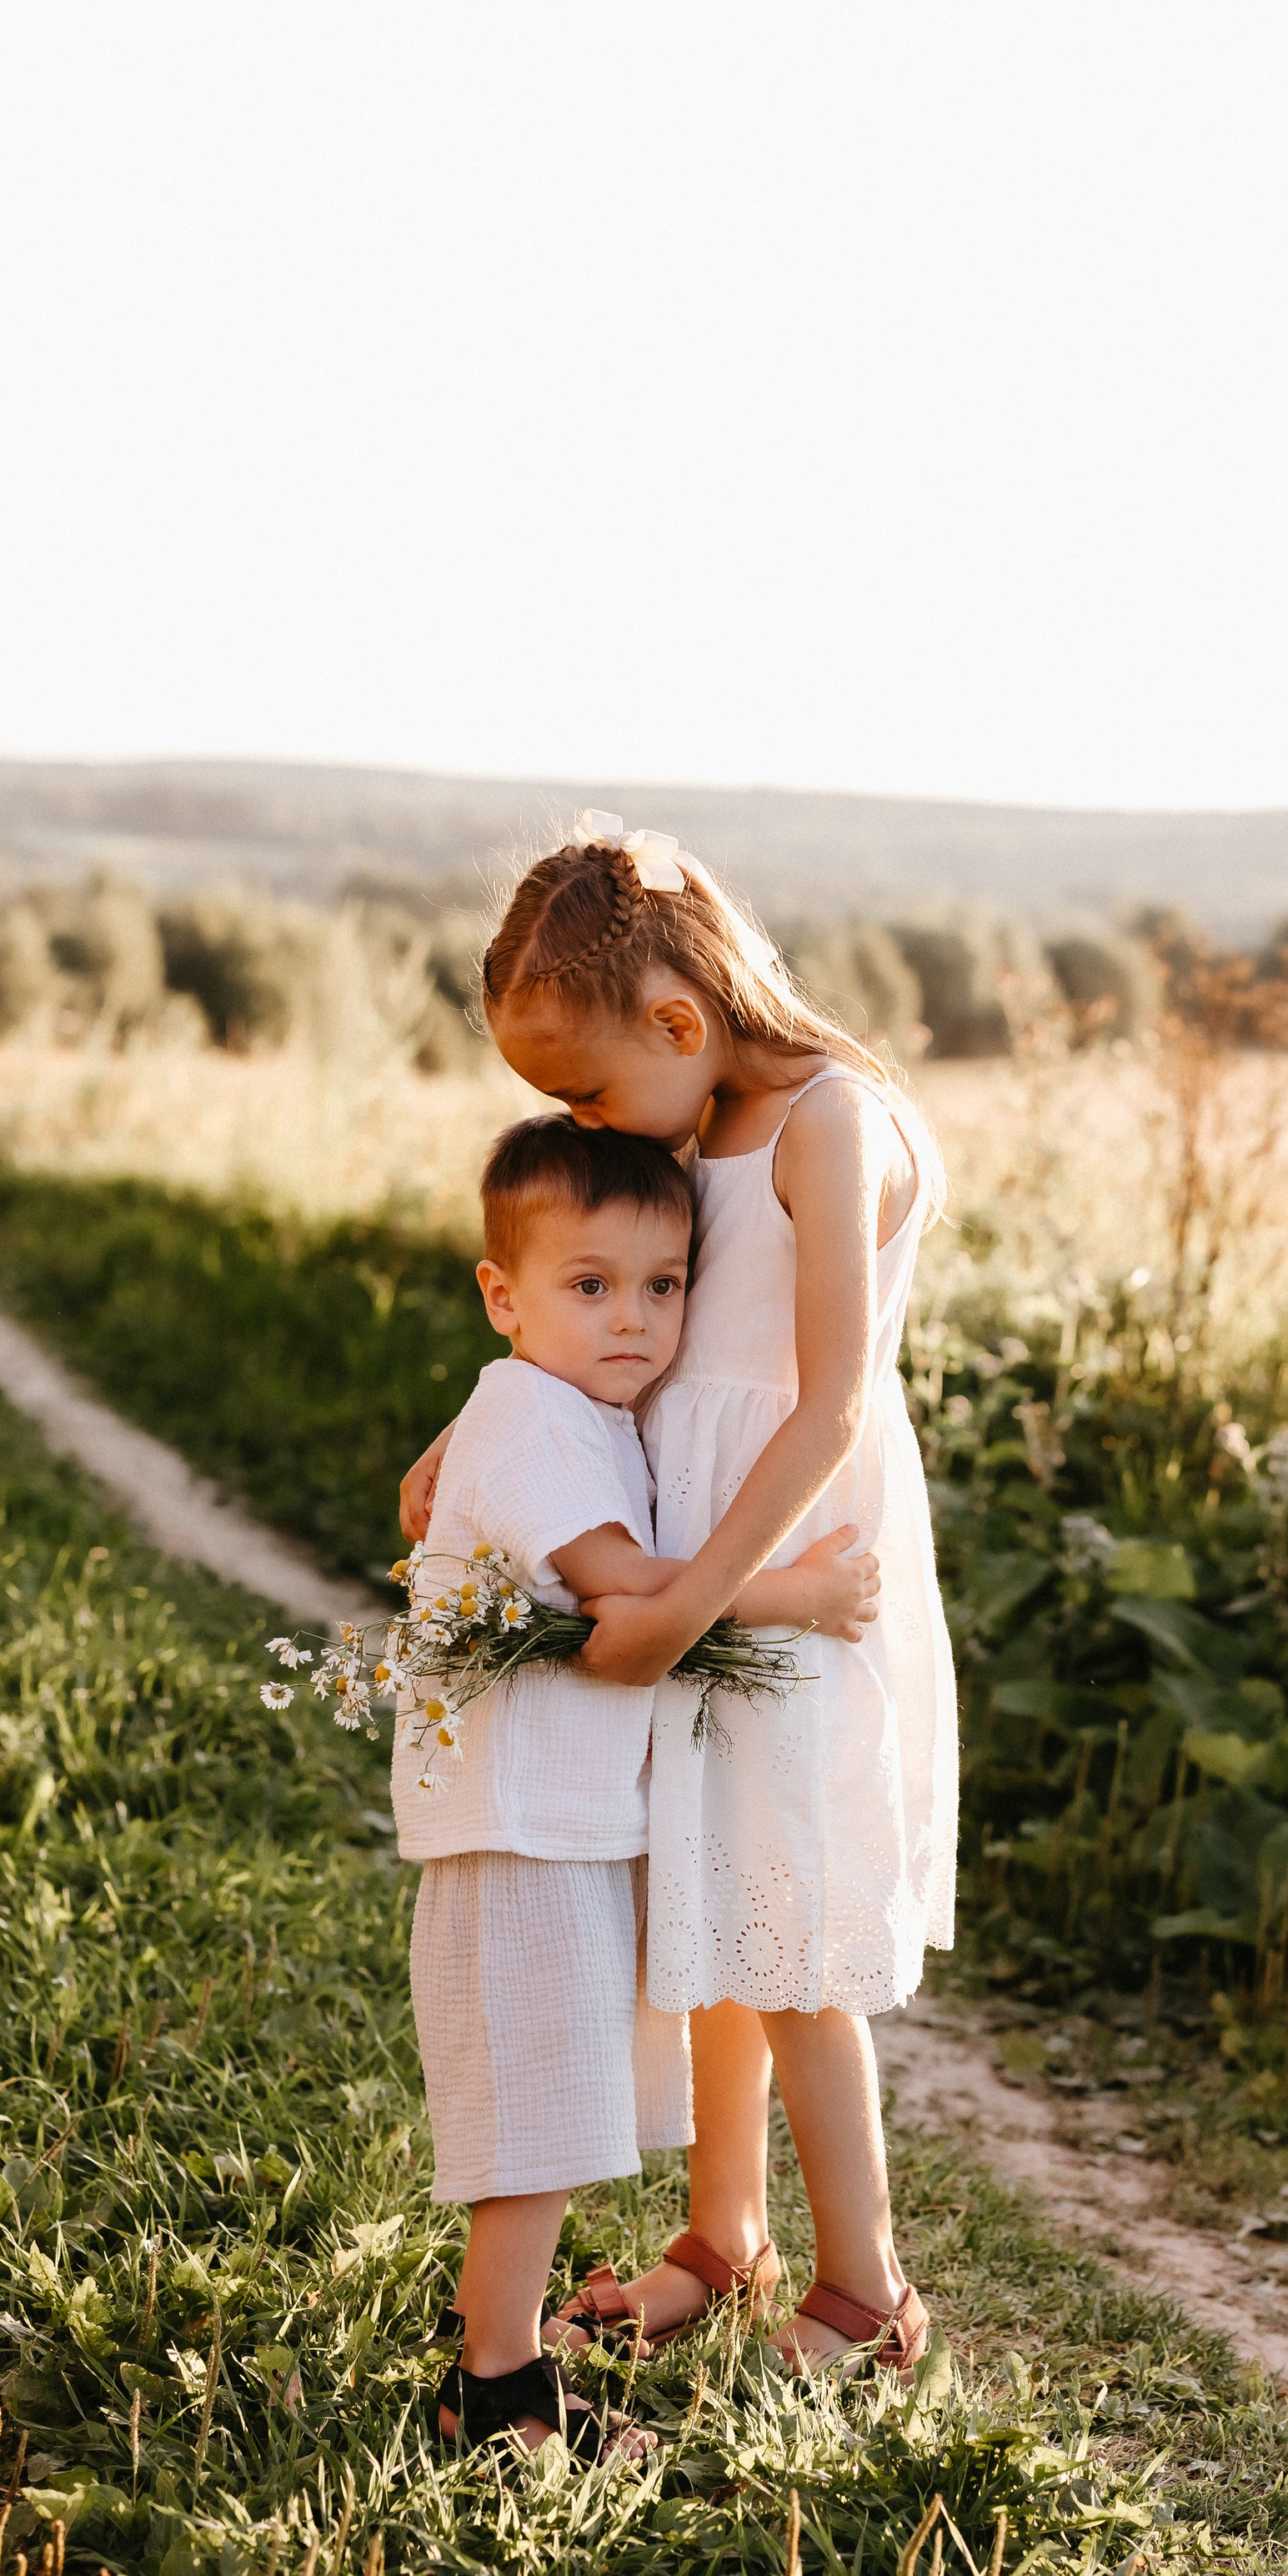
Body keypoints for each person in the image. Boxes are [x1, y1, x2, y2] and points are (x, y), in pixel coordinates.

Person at [401, 815, 958, 2377]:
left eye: (582, 1091)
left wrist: (699, 1599)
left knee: (788, 1930)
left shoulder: (827, 1123)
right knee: (700, 1910)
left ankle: (867, 2291)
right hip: (681, 1539)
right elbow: (623, 1295)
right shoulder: (684, 1117)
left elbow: (831, 1397)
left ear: (674, 1020)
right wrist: (482, 1426)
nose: (581, 1125)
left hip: (787, 1555)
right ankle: (725, 2239)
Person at [405, 1111, 879, 2460]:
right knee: (538, 2123)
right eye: (590, 1286)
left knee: (556, 2108)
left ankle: (501, 2373)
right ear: (503, 1298)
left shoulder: (576, 1410)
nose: (635, 1320)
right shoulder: (530, 1420)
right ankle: (494, 2394)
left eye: (662, 1286)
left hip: (560, 1824)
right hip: (517, 1831)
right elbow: (623, 1597)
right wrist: (803, 1593)